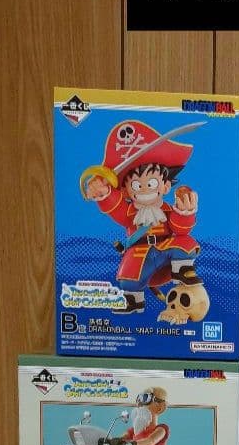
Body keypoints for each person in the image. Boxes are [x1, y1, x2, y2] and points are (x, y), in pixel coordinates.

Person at [80, 121, 202, 314]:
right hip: (140, 257)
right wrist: (104, 193)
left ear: (165, 186)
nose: (145, 189)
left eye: (151, 183)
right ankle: (133, 300)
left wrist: (185, 212)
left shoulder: (168, 210)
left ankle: (182, 270)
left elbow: (180, 228)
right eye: (137, 185)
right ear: (126, 191)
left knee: (183, 240)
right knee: (127, 278)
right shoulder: (129, 213)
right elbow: (115, 206)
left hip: (166, 253)